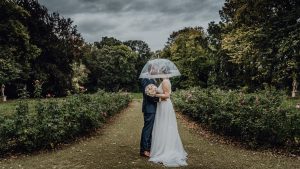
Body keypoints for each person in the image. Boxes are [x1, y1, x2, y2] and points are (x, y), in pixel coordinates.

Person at [149, 66, 188, 167]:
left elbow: (167, 95)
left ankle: (166, 150)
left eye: (160, 72)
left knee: (165, 126)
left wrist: (154, 94)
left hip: (165, 105)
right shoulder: (165, 81)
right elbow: (163, 93)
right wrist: (155, 91)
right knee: (163, 125)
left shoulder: (165, 81)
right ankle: (163, 147)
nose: (159, 73)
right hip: (162, 105)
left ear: (164, 73)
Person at [140, 64, 160, 157]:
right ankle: (144, 150)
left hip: (153, 107)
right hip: (149, 108)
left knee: (151, 129)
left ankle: (149, 147)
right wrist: (158, 98)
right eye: (155, 68)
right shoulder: (146, 78)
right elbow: (148, 93)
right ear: (151, 69)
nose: (157, 70)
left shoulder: (153, 79)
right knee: (147, 129)